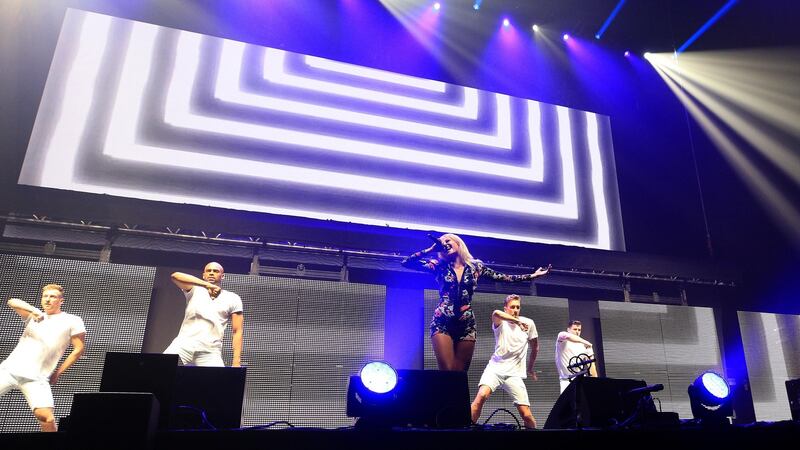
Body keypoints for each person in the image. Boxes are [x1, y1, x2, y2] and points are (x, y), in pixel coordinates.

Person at [401, 233, 550, 371]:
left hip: (466, 323)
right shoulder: (438, 265)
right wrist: (432, 249)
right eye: (442, 242)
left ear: (458, 244)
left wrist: (533, 276)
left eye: (448, 240)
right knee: (447, 372)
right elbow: (406, 262)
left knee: (459, 375)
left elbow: (504, 277)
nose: (444, 243)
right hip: (442, 321)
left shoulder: (475, 267)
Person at [1, 284, 86, 432]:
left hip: (37, 378)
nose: (48, 300)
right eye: (45, 296)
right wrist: (34, 310)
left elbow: (78, 350)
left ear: (61, 301)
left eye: (52, 296)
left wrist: (58, 372)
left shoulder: (72, 320)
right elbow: (11, 301)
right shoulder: (32, 316)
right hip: (9, 371)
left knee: (47, 418)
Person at [470, 294, 540, 429]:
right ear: (506, 309)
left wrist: (530, 368)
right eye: (512, 307)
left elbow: (535, 347)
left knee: (526, 414)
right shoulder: (500, 322)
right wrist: (518, 322)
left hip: (514, 374)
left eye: (517, 307)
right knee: (481, 397)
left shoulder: (529, 323)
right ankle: (466, 432)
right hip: (495, 369)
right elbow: (496, 313)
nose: (515, 310)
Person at [165, 262, 243, 367]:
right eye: (208, 271)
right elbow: (175, 276)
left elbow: (237, 331)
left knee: (219, 381)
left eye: (215, 271)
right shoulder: (194, 289)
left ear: (222, 276)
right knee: (160, 370)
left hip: (210, 351)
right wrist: (207, 285)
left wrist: (236, 362)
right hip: (183, 345)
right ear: (203, 275)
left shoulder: (232, 298)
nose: (211, 273)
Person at [555, 320, 598, 393]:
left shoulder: (585, 346)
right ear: (568, 329)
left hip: (580, 379)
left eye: (579, 330)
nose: (577, 331)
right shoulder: (562, 339)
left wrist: (596, 383)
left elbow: (591, 366)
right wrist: (585, 341)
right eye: (575, 329)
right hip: (566, 381)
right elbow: (568, 336)